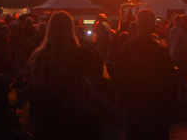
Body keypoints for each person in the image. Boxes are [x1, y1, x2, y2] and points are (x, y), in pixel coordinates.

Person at [28, 11, 104, 140]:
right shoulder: (79, 53)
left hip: (46, 113)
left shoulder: (39, 56)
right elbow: (99, 61)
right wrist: (81, 39)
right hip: (74, 112)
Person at [114, 8, 177, 140]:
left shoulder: (127, 49)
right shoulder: (160, 52)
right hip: (156, 110)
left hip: (134, 108)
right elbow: (171, 83)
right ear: (153, 26)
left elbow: (118, 78)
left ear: (137, 25)